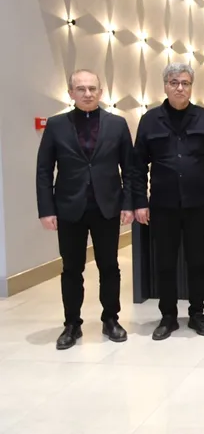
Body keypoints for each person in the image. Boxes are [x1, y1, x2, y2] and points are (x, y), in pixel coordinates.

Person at [36, 69, 134, 350]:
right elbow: (44, 170)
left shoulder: (117, 124)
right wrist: (46, 209)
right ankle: (72, 324)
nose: (87, 94)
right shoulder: (56, 125)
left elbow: (130, 169)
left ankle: (111, 319)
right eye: (81, 89)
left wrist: (128, 203)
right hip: (69, 208)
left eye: (92, 88)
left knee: (109, 266)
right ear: (71, 93)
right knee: (71, 269)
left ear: (100, 92)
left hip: (107, 207)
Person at [133, 62, 204, 340]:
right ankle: (168, 316)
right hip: (163, 206)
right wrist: (140, 202)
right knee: (165, 263)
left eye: (185, 83)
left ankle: (197, 313)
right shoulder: (150, 120)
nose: (180, 88)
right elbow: (137, 166)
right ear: (165, 86)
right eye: (174, 83)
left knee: (197, 262)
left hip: (197, 205)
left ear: (191, 86)